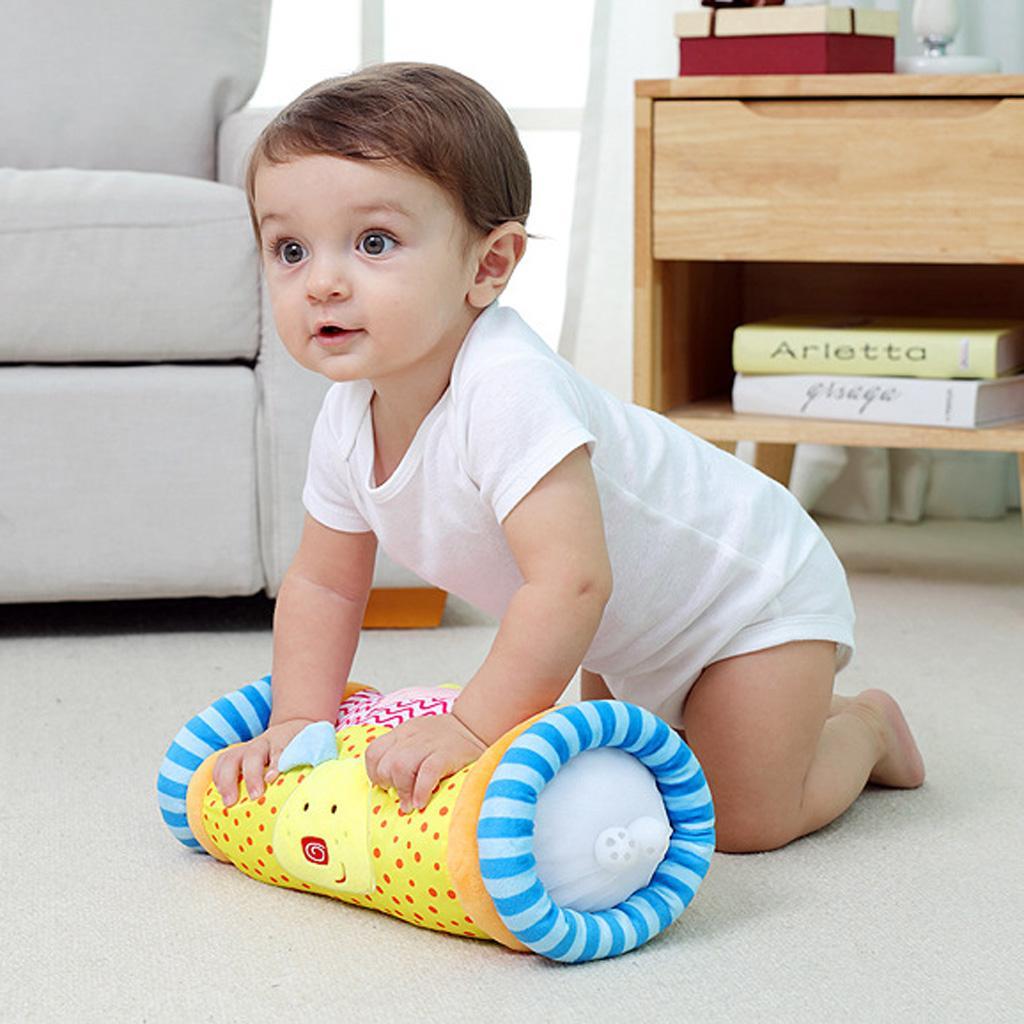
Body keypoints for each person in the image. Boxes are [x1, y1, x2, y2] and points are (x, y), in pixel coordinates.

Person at [212, 62, 924, 853]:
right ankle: (750, 718)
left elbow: (572, 581)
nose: (322, 283)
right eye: (289, 250)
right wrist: (301, 723)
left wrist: (472, 726)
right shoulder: (347, 416)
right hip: (623, 629)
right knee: (622, 788)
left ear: (489, 265)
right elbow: (323, 584)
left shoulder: (509, 388)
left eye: (373, 242)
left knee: (742, 820)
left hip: (745, 599)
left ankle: (864, 724)